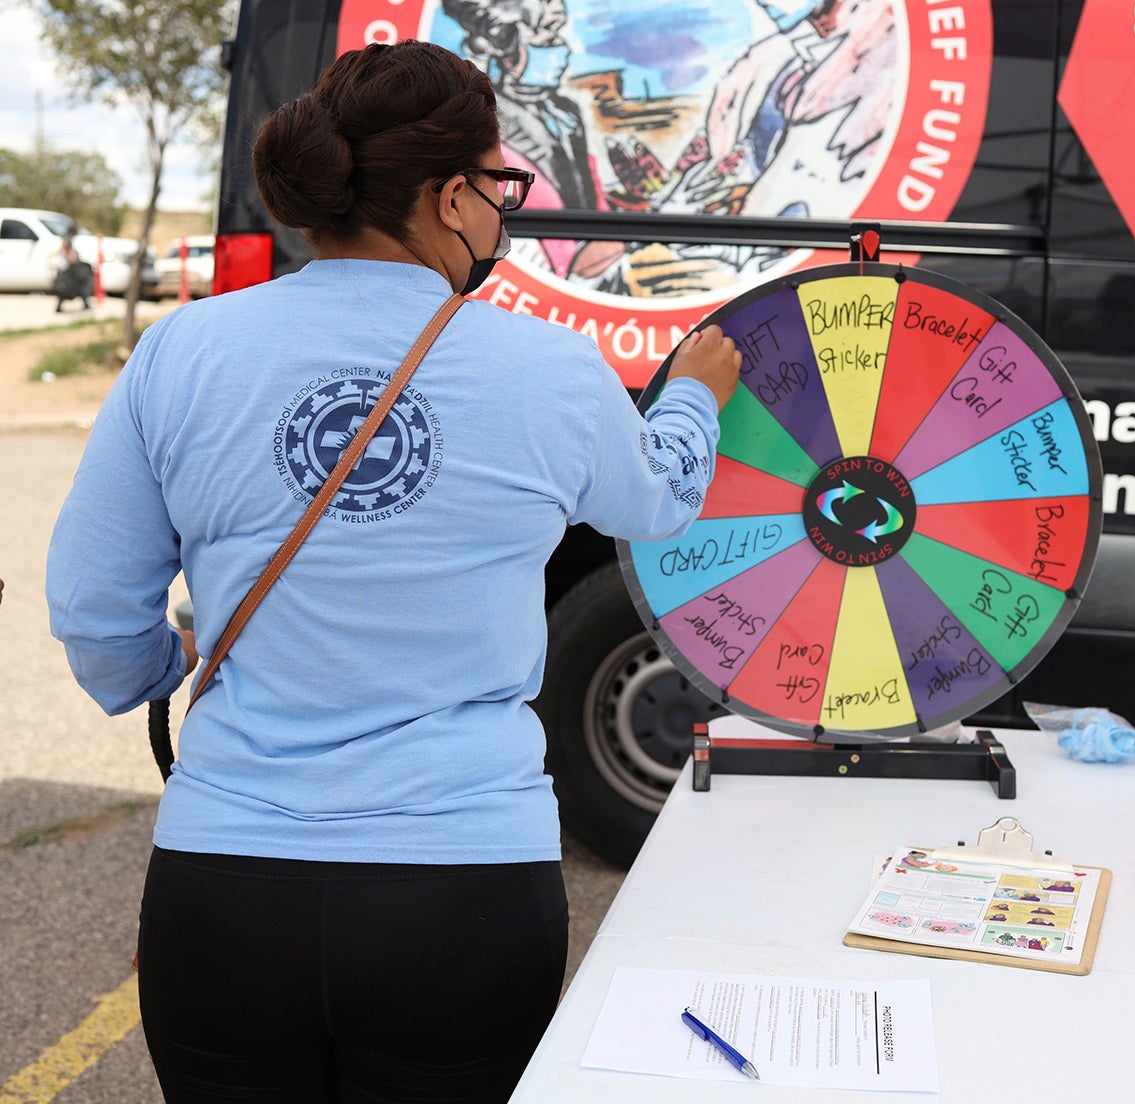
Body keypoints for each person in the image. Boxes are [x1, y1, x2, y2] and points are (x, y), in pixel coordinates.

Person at [46, 39, 739, 1103]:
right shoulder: (545, 366)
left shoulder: (183, 352)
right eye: (502, 185)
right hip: (461, 897)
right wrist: (691, 393)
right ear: (450, 196)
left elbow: (96, 614)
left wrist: (155, 664)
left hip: (226, 890)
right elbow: (657, 501)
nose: (505, 212)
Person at [54, 231, 93, 313]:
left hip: (71, 276)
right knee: (65, 291)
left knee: (76, 290)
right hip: (67, 276)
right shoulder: (64, 251)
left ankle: (86, 304)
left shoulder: (69, 251)